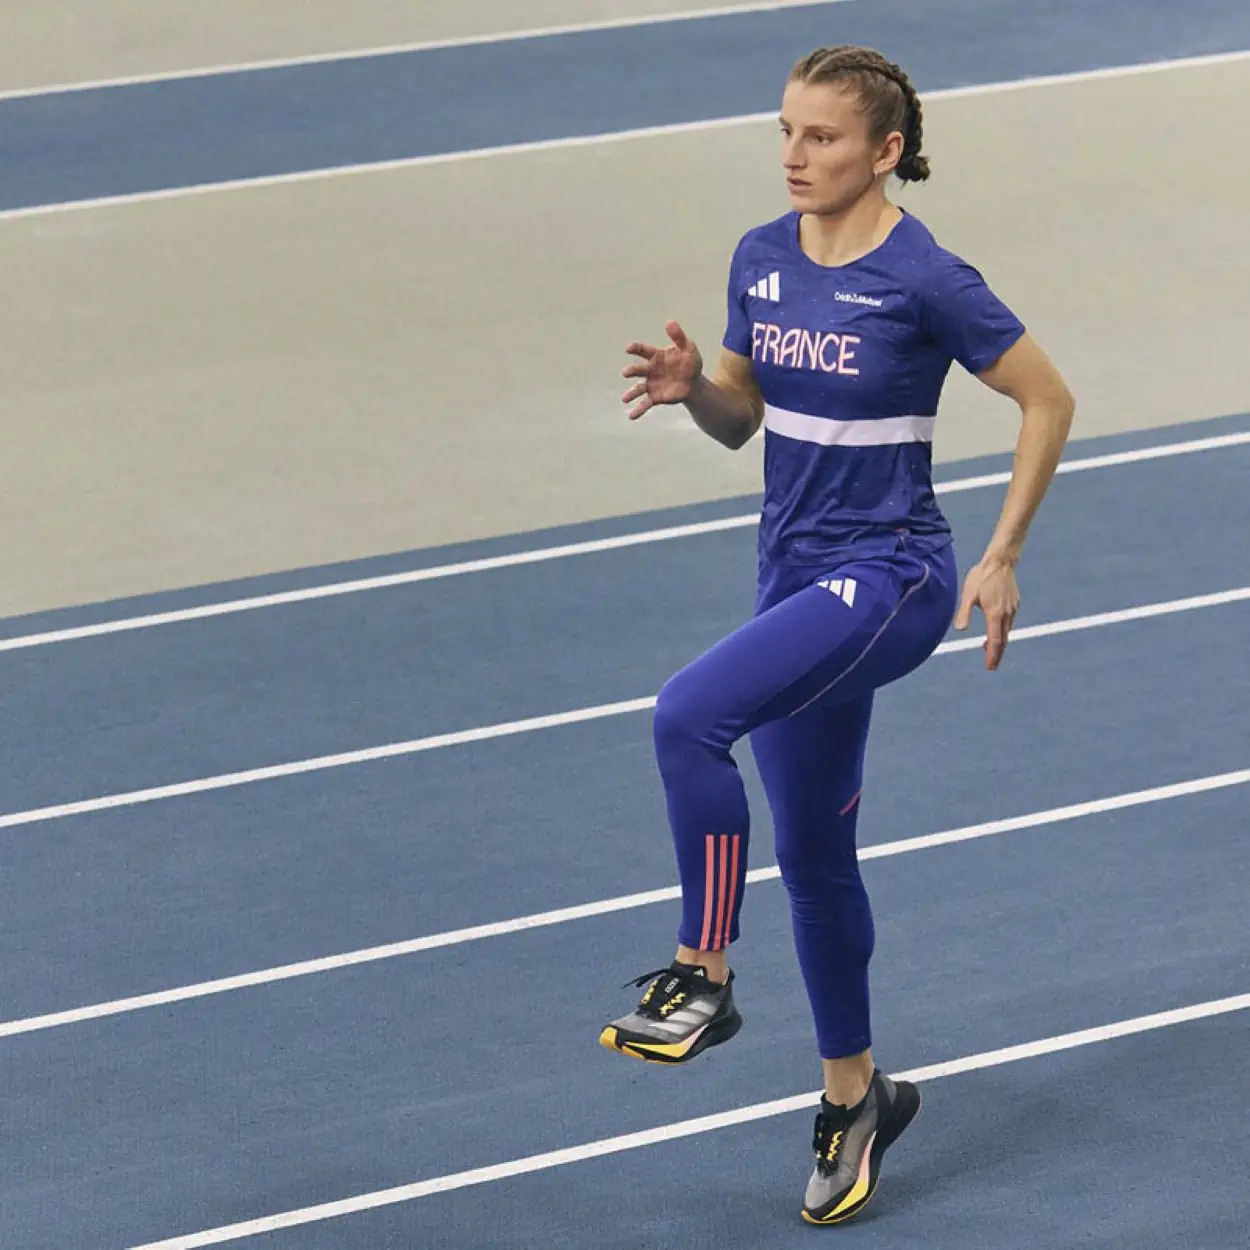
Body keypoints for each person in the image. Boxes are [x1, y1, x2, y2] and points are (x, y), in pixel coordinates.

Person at [598, 44, 1076, 1225]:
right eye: (783, 132)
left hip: (890, 576)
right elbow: (739, 417)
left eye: (819, 137)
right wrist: (690, 389)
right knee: (813, 852)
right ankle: (853, 1096)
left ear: (885, 151)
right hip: (791, 579)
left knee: (686, 714)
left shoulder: (924, 278)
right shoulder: (760, 260)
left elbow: (1045, 397)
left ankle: (701, 972)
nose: (792, 156)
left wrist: (1001, 552)